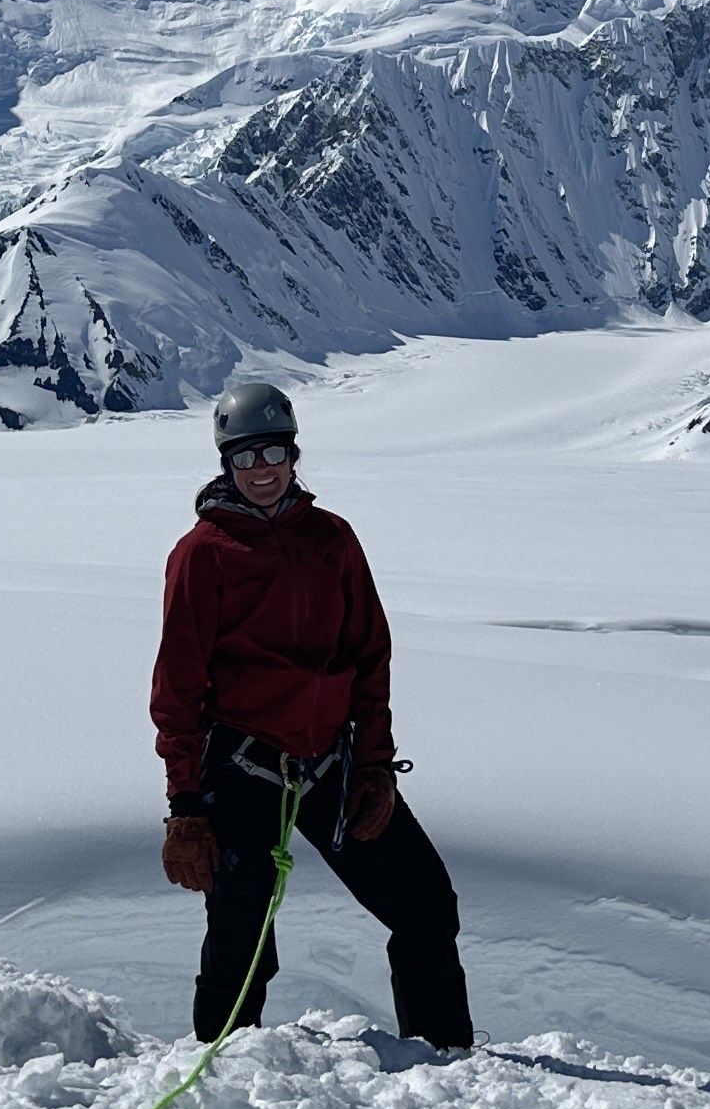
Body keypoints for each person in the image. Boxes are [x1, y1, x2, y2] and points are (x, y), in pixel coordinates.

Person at [152, 377, 474, 1050]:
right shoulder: (202, 555)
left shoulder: (332, 539)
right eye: (245, 458)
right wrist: (186, 804)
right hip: (243, 770)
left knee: (425, 907)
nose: (262, 471)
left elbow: (368, 656)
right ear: (225, 465)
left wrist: (376, 766)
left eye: (273, 454)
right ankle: (217, 1070)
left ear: (295, 455)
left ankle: (449, 1062)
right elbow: (178, 686)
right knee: (242, 946)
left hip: (334, 763)